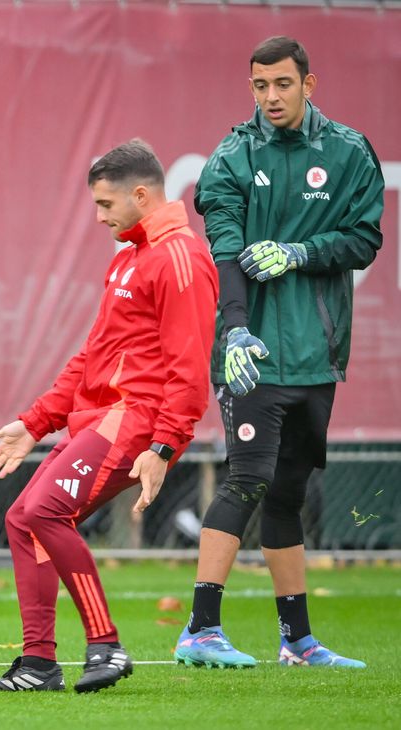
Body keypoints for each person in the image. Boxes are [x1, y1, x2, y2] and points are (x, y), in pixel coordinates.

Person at [0, 140, 219, 693]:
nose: (101, 216)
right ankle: (38, 664)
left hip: (137, 420)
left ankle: (105, 645)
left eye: (106, 205)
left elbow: (190, 369)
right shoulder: (128, 258)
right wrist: (35, 422)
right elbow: (92, 355)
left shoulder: (180, 256)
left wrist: (164, 447)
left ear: (140, 194)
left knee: (44, 511)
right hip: (102, 418)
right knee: (22, 519)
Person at [174, 37, 384, 671]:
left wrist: (300, 252)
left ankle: (298, 642)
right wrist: (235, 330)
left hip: (317, 355)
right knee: (246, 478)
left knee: (288, 494)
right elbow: (227, 248)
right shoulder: (232, 157)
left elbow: (364, 238)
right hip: (252, 355)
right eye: (260, 86)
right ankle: (200, 629)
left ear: (308, 84)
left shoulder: (349, 152)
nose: (270, 97)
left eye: (282, 85)